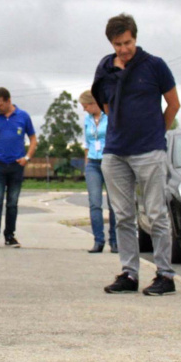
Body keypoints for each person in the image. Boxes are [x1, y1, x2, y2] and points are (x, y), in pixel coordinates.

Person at [91, 13, 181, 296]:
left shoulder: (154, 66)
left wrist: (156, 133)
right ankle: (129, 273)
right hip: (115, 152)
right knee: (123, 215)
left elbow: (174, 104)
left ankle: (165, 275)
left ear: (135, 38)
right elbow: (105, 105)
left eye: (127, 42)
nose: (123, 49)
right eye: (117, 44)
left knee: (156, 213)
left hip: (149, 151)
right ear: (111, 43)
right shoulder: (105, 69)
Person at [0, 87, 37, 248]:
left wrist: (27, 157)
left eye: (0, 105)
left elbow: (33, 139)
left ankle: (10, 236)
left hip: (16, 165)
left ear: (8, 101)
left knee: (12, 203)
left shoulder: (23, 116)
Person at [79, 90, 117, 254]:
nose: (84, 109)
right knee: (95, 203)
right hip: (93, 163)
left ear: (93, 103)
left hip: (109, 160)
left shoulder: (109, 115)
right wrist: (87, 166)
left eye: (85, 106)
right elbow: (87, 143)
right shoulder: (87, 119)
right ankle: (98, 240)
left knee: (113, 204)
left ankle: (115, 241)